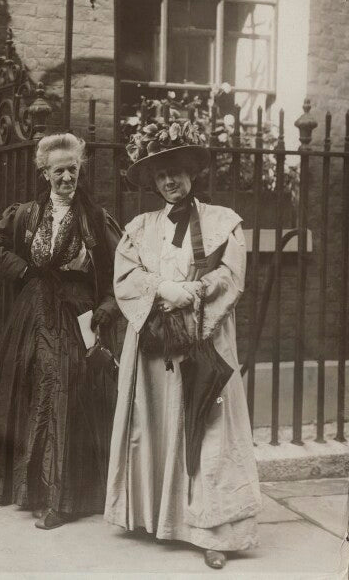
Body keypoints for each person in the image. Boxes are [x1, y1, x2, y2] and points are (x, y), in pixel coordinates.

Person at [104, 120, 261, 569]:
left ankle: (214, 530)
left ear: (192, 174)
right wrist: (160, 289)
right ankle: (161, 519)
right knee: (153, 424)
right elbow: (126, 277)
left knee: (209, 428)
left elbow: (231, 277)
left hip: (202, 342)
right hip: (155, 345)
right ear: (153, 182)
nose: (169, 180)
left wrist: (193, 294)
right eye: (160, 174)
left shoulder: (221, 221)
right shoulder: (139, 227)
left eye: (176, 170)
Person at [0, 133, 121, 530]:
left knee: (65, 388)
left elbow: (120, 272)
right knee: (33, 387)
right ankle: (30, 488)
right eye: (58, 170)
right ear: (44, 172)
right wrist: (23, 270)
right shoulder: (26, 214)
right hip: (33, 311)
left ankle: (62, 497)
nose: (67, 177)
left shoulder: (96, 219)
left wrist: (106, 310)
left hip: (77, 312)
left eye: (73, 169)